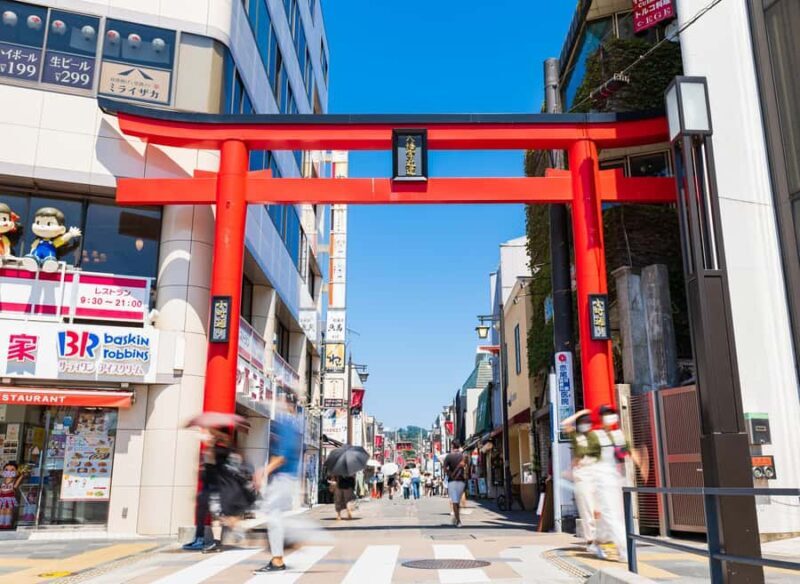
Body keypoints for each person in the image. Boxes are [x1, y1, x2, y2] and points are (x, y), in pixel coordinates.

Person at [253, 398, 302, 574]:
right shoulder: (291, 427)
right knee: (274, 515)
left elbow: (281, 456)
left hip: (283, 477)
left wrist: (263, 471)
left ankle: (278, 559)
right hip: (285, 477)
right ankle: (283, 550)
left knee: (273, 517)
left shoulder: (287, 427)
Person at [592, 404, 641, 563]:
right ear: (601, 418)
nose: (610, 416)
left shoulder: (618, 434)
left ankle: (597, 542)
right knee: (612, 517)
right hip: (601, 480)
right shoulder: (596, 436)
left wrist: (639, 462)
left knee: (614, 517)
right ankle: (624, 551)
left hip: (616, 480)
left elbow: (626, 451)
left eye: (612, 413)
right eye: (606, 414)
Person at [562, 409, 605, 559]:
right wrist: (580, 413)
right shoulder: (576, 436)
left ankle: (599, 540)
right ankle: (591, 542)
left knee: (598, 510)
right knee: (587, 511)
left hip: (596, 476)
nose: (586, 425)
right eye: (583, 423)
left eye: (588, 423)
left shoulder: (594, 437)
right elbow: (565, 424)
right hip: (582, 477)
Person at [443, 440, 468, 527]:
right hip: (461, 480)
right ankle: (457, 518)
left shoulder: (449, 456)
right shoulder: (464, 456)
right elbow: (466, 466)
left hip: (452, 481)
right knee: (458, 500)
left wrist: (451, 474)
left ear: (452, 446)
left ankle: (458, 520)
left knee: (455, 501)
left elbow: (445, 468)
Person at [0, 462, 26, 529]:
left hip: (10, 497)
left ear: (17, 472)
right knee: (2, 510)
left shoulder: (14, 481)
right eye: (6, 470)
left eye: (12, 470)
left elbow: (16, 486)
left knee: (9, 510)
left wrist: (21, 476)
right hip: (2, 497)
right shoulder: (3, 481)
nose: (9, 472)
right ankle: (1, 523)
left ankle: (7, 523)